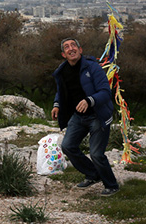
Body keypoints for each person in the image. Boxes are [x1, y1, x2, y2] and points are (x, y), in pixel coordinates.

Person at [51, 38, 120, 196]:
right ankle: (93, 174)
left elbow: (105, 92)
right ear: (64, 54)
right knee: (68, 146)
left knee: (96, 153)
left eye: (73, 45)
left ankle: (112, 185)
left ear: (80, 50)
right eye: (67, 47)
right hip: (78, 116)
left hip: (98, 115)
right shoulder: (62, 71)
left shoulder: (93, 67)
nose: (71, 49)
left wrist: (90, 101)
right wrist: (57, 104)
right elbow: (60, 91)